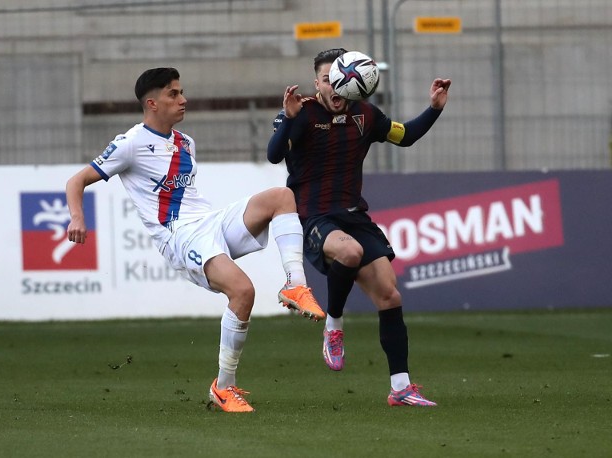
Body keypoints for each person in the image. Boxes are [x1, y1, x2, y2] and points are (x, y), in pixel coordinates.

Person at [66, 67, 325, 413]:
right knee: (243, 292)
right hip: (180, 235)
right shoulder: (130, 144)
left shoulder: (186, 143)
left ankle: (295, 285)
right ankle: (223, 387)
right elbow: (77, 180)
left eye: (181, 91)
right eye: (174, 94)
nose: (183, 99)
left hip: (209, 221)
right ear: (152, 103)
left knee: (281, 196)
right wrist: (78, 217)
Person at [267, 48, 450, 407]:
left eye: (340, 79)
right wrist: (288, 120)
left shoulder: (366, 115)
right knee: (349, 251)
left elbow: (405, 136)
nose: (335, 86)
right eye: (326, 79)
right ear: (317, 82)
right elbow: (274, 155)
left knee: (390, 295)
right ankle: (333, 325)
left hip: (353, 215)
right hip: (314, 217)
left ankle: (401, 388)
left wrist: (434, 108)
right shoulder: (300, 113)